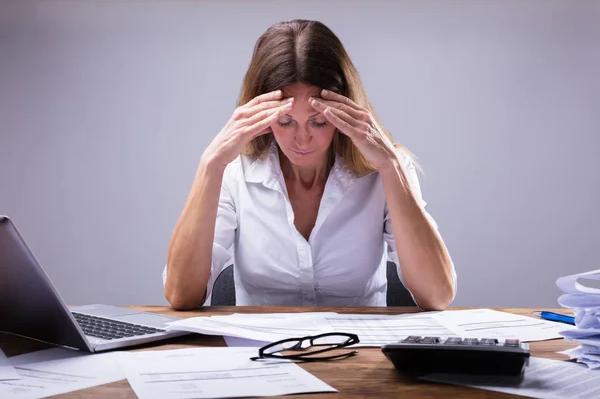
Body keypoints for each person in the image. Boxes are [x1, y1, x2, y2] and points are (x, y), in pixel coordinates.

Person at [163, 19, 456, 311]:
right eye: (285, 121)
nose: (302, 140)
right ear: (259, 115)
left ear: (345, 110)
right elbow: (181, 294)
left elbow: (437, 296)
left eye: (319, 121)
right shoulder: (234, 171)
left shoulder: (384, 169)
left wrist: (391, 166)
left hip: (359, 352)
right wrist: (210, 164)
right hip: (260, 354)